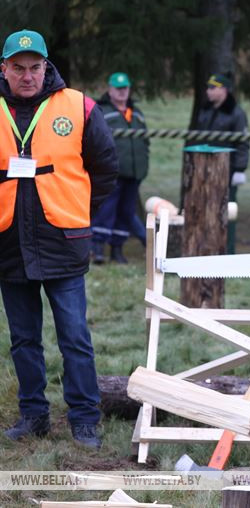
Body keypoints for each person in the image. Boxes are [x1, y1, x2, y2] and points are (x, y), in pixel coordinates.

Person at [0, 29, 118, 448]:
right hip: (8, 245)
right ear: (5, 69)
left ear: (46, 67)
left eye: (35, 67)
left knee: (74, 337)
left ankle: (84, 418)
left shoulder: (80, 106)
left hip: (63, 241)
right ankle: (33, 416)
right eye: (19, 68)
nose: (28, 76)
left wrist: (80, 212)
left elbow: (105, 169)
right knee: (24, 340)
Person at [187, 72, 249, 252]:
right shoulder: (205, 110)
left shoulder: (236, 113)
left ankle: (227, 251)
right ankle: (206, 248)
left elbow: (243, 143)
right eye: (208, 87)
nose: (208, 91)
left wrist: (239, 169)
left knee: (227, 212)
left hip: (227, 171)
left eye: (213, 88)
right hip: (204, 169)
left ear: (224, 90)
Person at [91, 72, 148, 264]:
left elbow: (145, 141)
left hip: (133, 173)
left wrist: (143, 165)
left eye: (125, 88)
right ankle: (98, 249)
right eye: (118, 88)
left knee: (126, 211)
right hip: (111, 173)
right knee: (106, 209)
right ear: (110, 89)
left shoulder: (137, 113)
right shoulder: (103, 111)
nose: (122, 92)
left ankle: (117, 249)